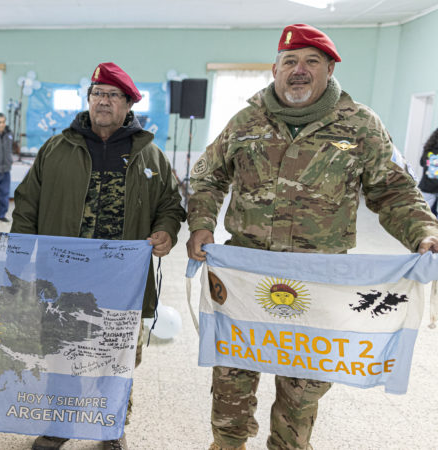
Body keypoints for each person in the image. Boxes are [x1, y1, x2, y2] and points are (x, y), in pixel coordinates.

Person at [185, 24, 438, 450]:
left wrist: (424, 233)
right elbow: (207, 176)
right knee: (232, 375)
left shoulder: (360, 126)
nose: (298, 70)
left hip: (320, 280)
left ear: (330, 68)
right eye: (290, 61)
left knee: (303, 386)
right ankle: (227, 443)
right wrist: (201, 223)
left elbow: (393, 191)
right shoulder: (245, 121)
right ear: (275, 69)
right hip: (245, 273)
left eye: (311, 61)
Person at [12, 62, 186, 450]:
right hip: (64, 277)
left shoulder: (150, 156)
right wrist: (17, 260)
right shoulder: (56, 149)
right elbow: (26, 206)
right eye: (97, 95)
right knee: (60, 352)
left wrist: (167, 231)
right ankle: (60, 423)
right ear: (88, 101)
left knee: (119, 358)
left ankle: (111, 426)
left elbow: (171, 206)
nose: (103, 102)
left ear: (128, 105)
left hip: (123, 282)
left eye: (112, 96)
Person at [419, 127, 438, 216]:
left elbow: (422, 163)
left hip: (426, 187)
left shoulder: (428, 149)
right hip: (434, 187)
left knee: (425, 214)